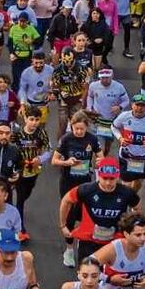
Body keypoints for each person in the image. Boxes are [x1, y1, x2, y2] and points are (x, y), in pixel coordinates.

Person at [53, 112, 104, 265]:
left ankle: (83, 243)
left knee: (84, 215)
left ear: (87, 127)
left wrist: (99, 162)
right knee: (69, 216)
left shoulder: (92, 139)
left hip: (85, 183)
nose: (79, 132)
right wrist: (67, 162)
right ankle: (69, 249)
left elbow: (100, 157)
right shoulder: (66, 139)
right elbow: (54, 161)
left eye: (81, 129)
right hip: (68, 182)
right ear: (72, 126)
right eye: (76, 129)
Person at [111, 94, 145, 193]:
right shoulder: (124, 116)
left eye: (142, 106)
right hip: (126, 155)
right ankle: (128, 201)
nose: (139, 108)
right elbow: (114, 127)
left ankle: (133, 197)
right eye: (137, 105)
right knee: (126, 184)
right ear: (132, 105)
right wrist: (120, 138)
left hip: (143, 157)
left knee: (138, 183)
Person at [12, 110, 51, 241]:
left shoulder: (41, 133)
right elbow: (11, 148)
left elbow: (49, 150)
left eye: (37, 120)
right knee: (21, 198)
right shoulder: (17, 134)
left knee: (27, 193)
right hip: (19, 169)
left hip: (33, 170)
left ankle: (17, 210)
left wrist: (40, 159)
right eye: (32, 119)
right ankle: (20, 229)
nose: (34, 123)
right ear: (25, 119)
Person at [85, 67, 130, 155]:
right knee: (98, 145)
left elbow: (126, 100)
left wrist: (119, 107)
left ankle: (105, 155)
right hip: (98, 119)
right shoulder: (93, 85)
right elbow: (90, 96)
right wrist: (90, 108)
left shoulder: (119, 87)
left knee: (108, 144)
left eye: (107, 78)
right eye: (102, 78)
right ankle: (98, 163)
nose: (104, 80)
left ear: (112, 76)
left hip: (111, 120)